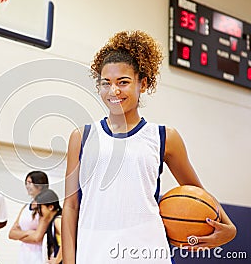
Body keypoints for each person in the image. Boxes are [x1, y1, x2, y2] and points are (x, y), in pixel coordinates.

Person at [61, 30, 237, 264]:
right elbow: (71, 205)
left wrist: (230, 228)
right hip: (94, 255)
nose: (114, 91)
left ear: (142, 83)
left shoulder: (164, 137)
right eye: (106, 83)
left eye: (123, 82)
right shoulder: (81, 136)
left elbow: (197, 191)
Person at [8, 171, 50, 264]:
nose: (27, 186)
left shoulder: (46, 207)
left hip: (39, 256)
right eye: (26, 183)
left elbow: (37, 238)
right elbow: (11, 233)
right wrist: (28, 233)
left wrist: (20, 235)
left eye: (30, 183)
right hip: (24, 256)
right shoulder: (26, 207)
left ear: (39, 185)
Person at [33, 189, 62, 264]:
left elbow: (67, 241)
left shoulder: (58, 221)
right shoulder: (52, 222)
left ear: (51, 207)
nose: (38, 211)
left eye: (40, 208)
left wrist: (57, 260)